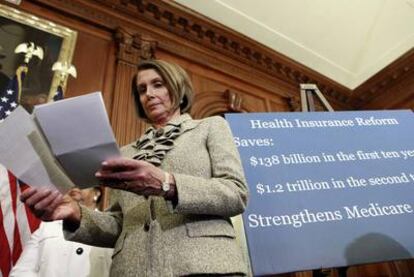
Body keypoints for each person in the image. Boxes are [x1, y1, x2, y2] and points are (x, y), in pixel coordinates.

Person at [20, 59, 249, 276]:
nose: (148, 94)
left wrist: (166, 184)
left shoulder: (210, 127)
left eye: (158, 85)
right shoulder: (125, 153)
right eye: (141, 90)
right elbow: (120, 223)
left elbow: (235, 193)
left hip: (204, 267)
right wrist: (75, 213)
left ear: (179, 90)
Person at [11, 187, 113, 277]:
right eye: (70, 183)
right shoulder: (47, 226)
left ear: (96, 193)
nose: (75, 186)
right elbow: (22, 270)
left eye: (82, 184)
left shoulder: (110, 227)